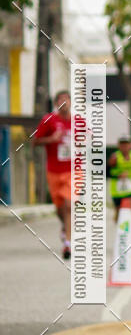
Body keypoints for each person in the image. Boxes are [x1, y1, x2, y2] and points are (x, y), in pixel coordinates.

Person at [34, 90, 75, 259]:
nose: (64, 103)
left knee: (69, 205)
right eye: (60, 100)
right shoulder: (48, 120)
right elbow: (36, 141)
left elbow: (90, 138)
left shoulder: (78, 121)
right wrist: (51, 139)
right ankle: (65, 226)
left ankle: (68, 244)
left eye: (66, 99)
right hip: (53, 171)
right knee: (59, 208)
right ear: (56, 103)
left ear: (71, 102)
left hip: (73, 170)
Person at [108, 136, 131, 222]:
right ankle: (118, 224)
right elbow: (106, 173)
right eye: (122, 145)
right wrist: (118, 176)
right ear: (119, 146)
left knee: (129, 208)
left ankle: (127, 224)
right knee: (118, 211)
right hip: (117, 190)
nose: (125, 147)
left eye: (126, 144)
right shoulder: (114, 157)